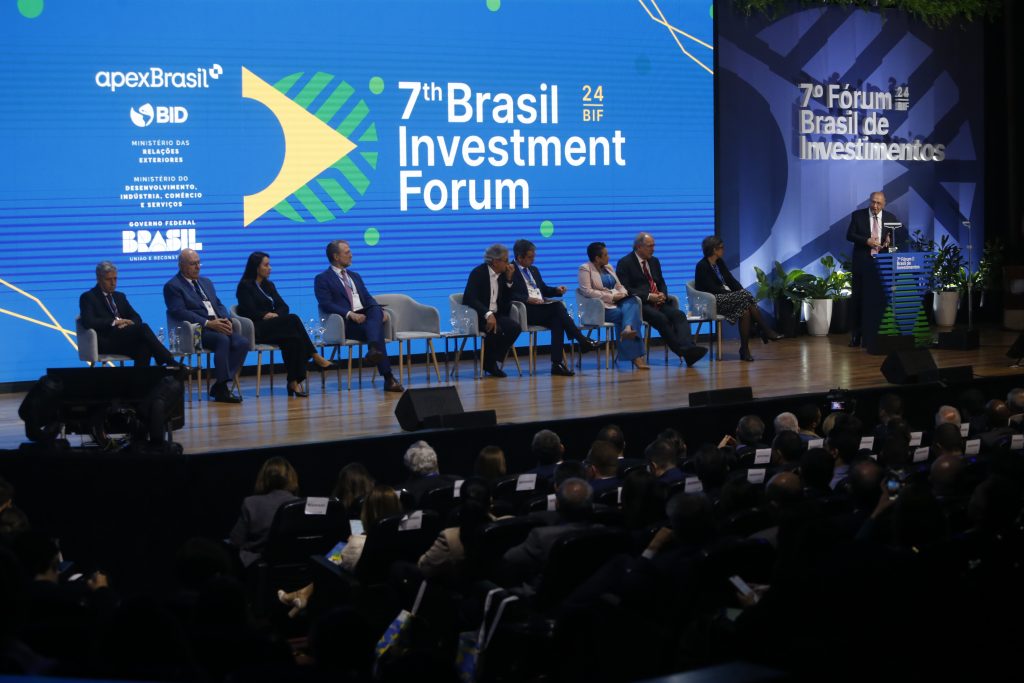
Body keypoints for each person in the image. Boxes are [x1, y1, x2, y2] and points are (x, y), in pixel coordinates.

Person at [236, 251, 332, 397]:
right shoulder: (245, 286)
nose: (270, 268)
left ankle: (293, 383)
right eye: (266, 265)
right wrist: (264, 315)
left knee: (293, 340)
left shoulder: (268, 285)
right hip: (257, 328)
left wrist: (276, 315)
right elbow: (247, 309)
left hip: (274, 327)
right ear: (256, 267)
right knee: (293, 319)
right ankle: (314, 355)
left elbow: (283, 306)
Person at [313, 240, 404, 393]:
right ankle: (387, 376)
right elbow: (325, 304)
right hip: (345, 324)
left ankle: (374, 351)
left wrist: (379, 312)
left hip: (366, 319)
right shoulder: (322, 278)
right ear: (336, 256)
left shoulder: (355, 276)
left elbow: (368, 298)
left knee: (375, 308)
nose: (351, 255)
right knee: (376, 331)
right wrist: (350, 314)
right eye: (347, 252)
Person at [164, 249, 250, 403]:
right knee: (222, 340)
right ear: (182, 265)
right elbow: (178, 312)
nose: (198, 267)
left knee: (242, 342)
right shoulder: (173, 286)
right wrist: (208, 323)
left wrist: (225, 319)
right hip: (195, 331)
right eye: (193, 264)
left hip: (218, 326)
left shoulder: (206, 282)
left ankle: (219, 385)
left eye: (199, 263)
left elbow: (218, 304)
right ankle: (222, 390)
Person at [510, 239, 601, 377]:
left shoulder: (533, 270)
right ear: (519, 257)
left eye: (534, 256)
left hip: (540, 309)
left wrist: (556, 290)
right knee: (557, 307)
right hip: (525, 310)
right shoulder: (510, 270)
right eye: (530, 257)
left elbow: (543, 289)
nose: (533, 259)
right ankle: (581, 340)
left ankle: (556, 364)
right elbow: (509, 293)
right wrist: (527, 299)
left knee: (557, 321)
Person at [616, 232, 707, 367]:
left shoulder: (654, 261)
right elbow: (625, 289)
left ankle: (688, 348)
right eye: (650, 246)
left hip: (659, 302)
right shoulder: (625, 263)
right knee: (661, 318)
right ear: (639, 247)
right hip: (641, 305)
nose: (653, 249)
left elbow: (661, 282)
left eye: (654, 246)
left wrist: (663, 294)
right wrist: (649, 296)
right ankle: (684, 352)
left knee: (679, 315)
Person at [79, 261, 185, 370]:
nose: (113, 283)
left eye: (115, 279)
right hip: (106, 342)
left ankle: (140, 380)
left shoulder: (119, 296)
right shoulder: (89, 297)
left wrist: (128, 323)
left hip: (123, 340)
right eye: (108, 279)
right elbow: (88, 322)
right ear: (99, 279)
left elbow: (137, 317)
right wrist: (115, 322)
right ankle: (169, 360)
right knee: (143, 328)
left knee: (144, 347)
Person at [693, 235, 781, 362]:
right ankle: (765, 330)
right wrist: (732, 294)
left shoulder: (719, 263)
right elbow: (711, 288)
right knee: (745, 299)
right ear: (714, 250)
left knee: (745, 310)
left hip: (725, 298)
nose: (724, 250)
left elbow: (731, 280)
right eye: (721, 247)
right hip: (710, 301)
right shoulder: (702, 266)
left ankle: (745, 349)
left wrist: (740, 291)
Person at [846, 191, 907, 347]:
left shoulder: (890, 218)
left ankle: (877, 334)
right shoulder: (858, 216)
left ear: (884, 203)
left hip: (882, 264)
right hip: (862, 264)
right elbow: (850, 235)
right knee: (858, 299)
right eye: (873, 202)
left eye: (878, 203)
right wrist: (866, 241)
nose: (875, 206)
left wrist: (889, 240)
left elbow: (898, 236)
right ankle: (856, 335)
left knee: (879, 300)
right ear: (869, 201)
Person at [577, 241, 647, 369]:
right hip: (599, 308)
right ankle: (636, 356)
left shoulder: (608, 267)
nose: (608, 257)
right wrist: (611, 297)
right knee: (628, 315)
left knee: (633, 301)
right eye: (605, 255)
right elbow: (587, 291)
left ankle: (628, 330)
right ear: (597, 258)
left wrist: (623, 293)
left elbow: (619, 285)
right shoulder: (585, 268)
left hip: (617, 302)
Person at [228, 457, 301, 567]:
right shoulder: (300, 505)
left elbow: (235, 541)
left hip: (258, 568)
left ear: (263, 478)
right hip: (294, 566)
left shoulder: (250, 503)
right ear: (291, 478)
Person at [461, 244, 521, 378]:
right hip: (478, 315)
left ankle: (489, 360)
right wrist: (487, 314)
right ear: (495, 261)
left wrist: (509, 280)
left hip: (497, 314)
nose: (509, 264)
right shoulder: (478, 273)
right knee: (495, 329)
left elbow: (506, 302)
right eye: (506, 260)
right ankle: (490, 363)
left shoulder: (503, 275)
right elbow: (469, 298)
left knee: (514, 328)